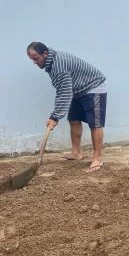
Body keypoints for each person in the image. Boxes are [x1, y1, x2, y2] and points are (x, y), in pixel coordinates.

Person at [27, 42, 107, 172]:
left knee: (95, 124)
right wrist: (55, 115)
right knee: (74, 119)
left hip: (93, 86)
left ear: (45, 53)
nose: (35, 62)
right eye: (32, 60)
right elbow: (63, 89)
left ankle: (97, 158)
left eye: (36, 58)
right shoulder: (51, 62)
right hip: (77, 89)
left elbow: (64, 91)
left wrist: (55, 117)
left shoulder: (58, 65)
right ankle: (76, 153)